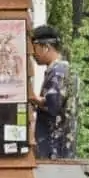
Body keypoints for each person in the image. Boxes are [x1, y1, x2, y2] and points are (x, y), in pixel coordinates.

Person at [30, 26, 78, 159]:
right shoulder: (64, 69)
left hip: (55, 148)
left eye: (35, 49)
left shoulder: (58, 71)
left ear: (45, 47)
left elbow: (53, 104)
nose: (33, 54)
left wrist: (33, 98)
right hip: (60, 146)